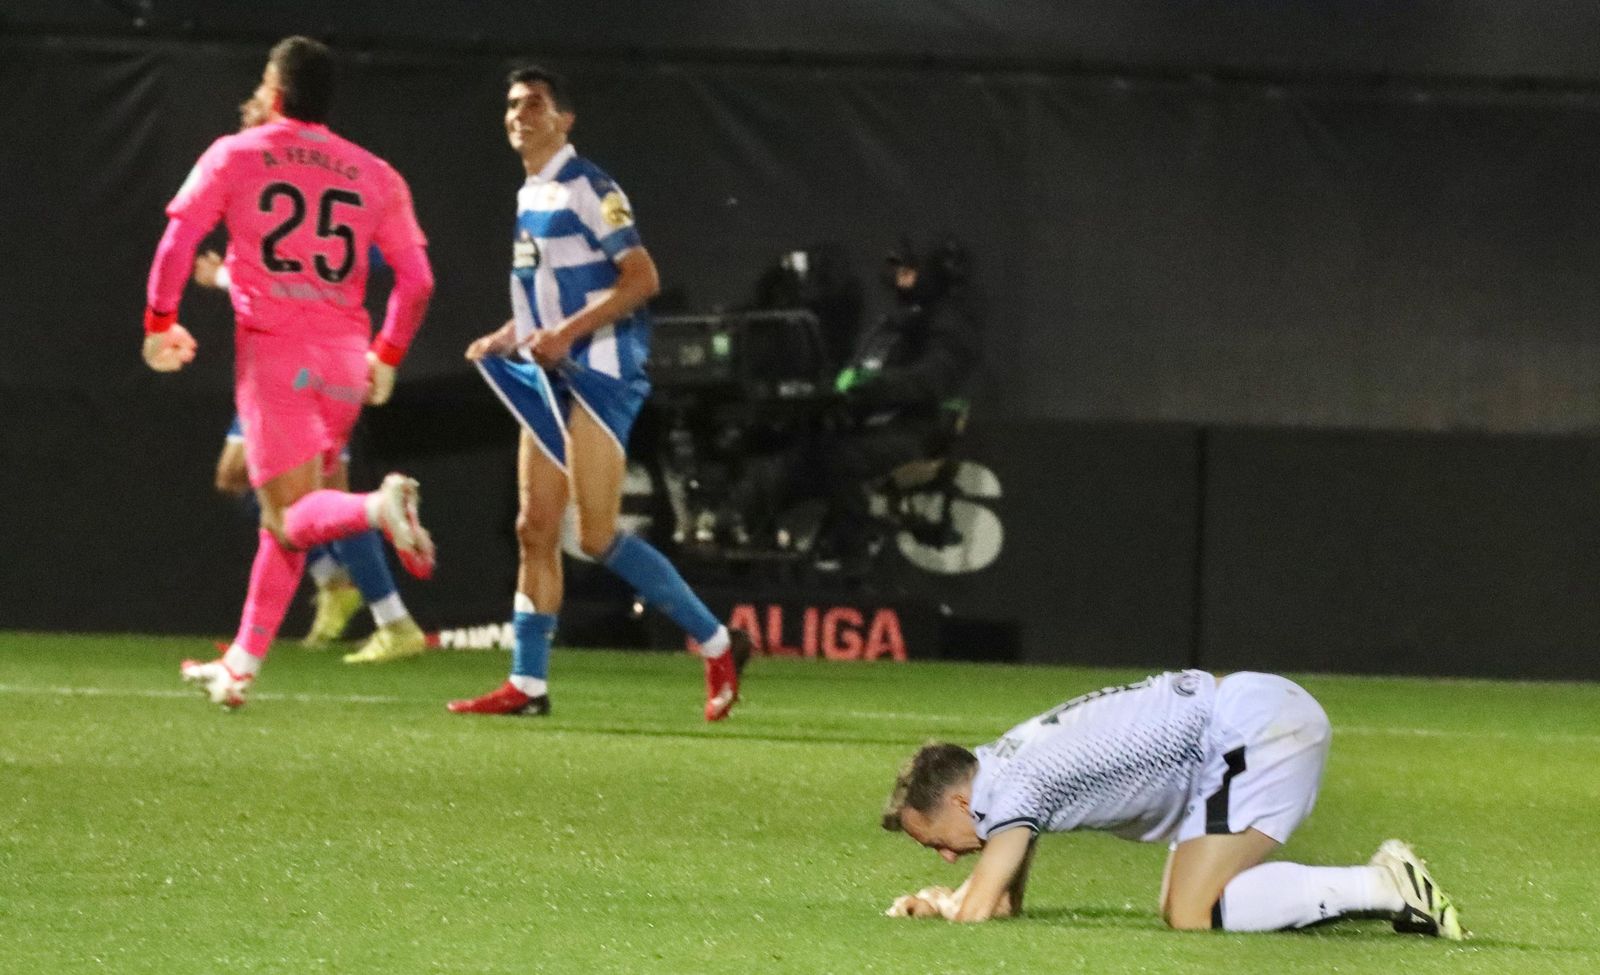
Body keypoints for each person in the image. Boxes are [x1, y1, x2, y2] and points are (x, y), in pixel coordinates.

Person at [141, 36, 436, 707]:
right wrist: (387, 353)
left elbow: (178, 241)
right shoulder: (374, 172)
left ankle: (377, 506)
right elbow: (417, 281)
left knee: (291, 514)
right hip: (343, 364)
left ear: (274, 91)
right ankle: (241, 664)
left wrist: (160, 322)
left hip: (277, 356)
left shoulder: (235, 153)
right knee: (289, 520)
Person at [449, 65, 749, 721]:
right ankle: (527, 685)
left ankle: (719, 640)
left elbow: (642, 278)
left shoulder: (592, 187)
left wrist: (566, 334)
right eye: (511, 105)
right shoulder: (531, 194)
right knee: (535, 527)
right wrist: (510, 334)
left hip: (601, 372)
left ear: (565, 119)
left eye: (534, 104)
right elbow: (548, 295)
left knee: (598, 531)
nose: (519, 114)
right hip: (550, 371)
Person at [880, 670, 1465, 938]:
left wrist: (943, 906)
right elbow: (1002, 902)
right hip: (1250, 717)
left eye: (936, 843)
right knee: (1187, 905)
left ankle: (1388, 888)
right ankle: (1382, 888)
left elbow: (982, 910)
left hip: (1252, 727)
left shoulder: (1011, 788)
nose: (947, 858)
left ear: (960, 800)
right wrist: (954, 900)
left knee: (1190, 910)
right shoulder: (1003, 767)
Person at [196, 244, 429, 663]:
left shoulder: (309, 193)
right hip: (325, 353)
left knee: (276, 488)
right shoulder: (331, 195)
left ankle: (381, 605)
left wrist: (221, 277)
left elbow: (303, 272)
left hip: (292, 358)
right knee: (296, 491)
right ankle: (373, 607)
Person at [729, 237, 981, 572]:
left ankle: (846, 553)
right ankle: (740, 538)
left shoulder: (949, 323)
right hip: (882, 424)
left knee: (829, 458)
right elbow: (866, 372)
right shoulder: (904, 320)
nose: (900, 279)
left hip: (916, 432)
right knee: (790, 450)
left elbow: (930, 380)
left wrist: (867, 386)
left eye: (910, 271)